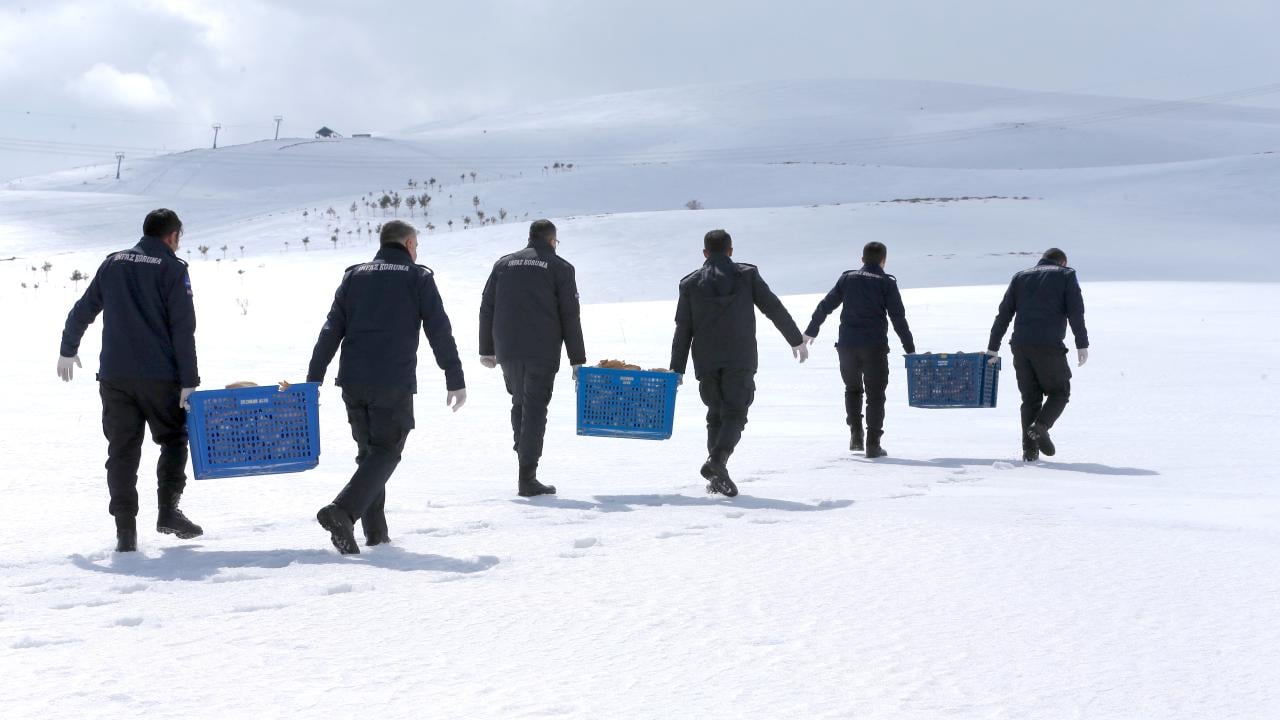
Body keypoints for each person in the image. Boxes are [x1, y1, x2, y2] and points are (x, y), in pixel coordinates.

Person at [307, 220, 466, 554]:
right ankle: (343, 511)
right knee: (387, 451)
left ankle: (376, 534)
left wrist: (314, 377)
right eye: (417, 245)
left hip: (351, 381)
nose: (417, 251)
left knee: (370, 454)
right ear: (408, 244)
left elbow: (331, 328)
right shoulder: (417, 277)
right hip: (392, 380)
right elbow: (439, 329)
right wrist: (454, 376)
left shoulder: (354, 275)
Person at [57, 208, 203, 552]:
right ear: (172, 236)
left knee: (122, 452)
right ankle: (168, 512)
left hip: (115, 377)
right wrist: (189, 380)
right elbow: (183, 330)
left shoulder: (113, 263)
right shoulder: (172, 268)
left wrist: (68, 348)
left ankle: (126, 533)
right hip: (160, 378)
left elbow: (83, 309)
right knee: (172, 439)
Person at [670, 229, 808, 497]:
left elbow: (682, 329)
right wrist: (795, 339)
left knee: (715, 415)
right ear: (731, 251)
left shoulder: (690, 284)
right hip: (739, 357)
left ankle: (715, 477)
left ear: (705, 253)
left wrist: (677, 368)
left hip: (706, 360)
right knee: (735, 414)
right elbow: (773, 307)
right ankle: (717, 461)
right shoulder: (746, 275)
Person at [478, 219, 585, 497]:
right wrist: (577, 359)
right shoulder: (560, 267)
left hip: (508, 350)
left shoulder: (503, 264)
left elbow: (486, 307)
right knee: (535, 409)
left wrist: (486, 349)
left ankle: (523, 457)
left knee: (520, 402)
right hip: (542, 350)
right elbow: (570, 315)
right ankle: (527, 476)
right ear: (552, 241)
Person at [802, 241, 916, 458]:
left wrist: (811, 331)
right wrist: (910, 350)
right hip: (874, 348)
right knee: (875, 395)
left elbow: (825, 305)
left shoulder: (848, 278)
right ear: (884, 260)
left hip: (847, 347)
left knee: (852, 389)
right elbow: (898, 318)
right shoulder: (886, 283)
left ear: (862, 259)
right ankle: (873, 444)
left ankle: (856, 434)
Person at [986, 247, 1089, 462]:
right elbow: (1076, 311)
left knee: (1030, 399)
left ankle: (1029, 452)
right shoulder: (1066, 275)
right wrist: (1082, 343)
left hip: (1020, 346)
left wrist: (992, 347)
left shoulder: (1020, 277)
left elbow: (1004, 314)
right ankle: (1041, 427)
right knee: (1060, 392)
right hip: (1049, 345)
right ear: (1062, 262)